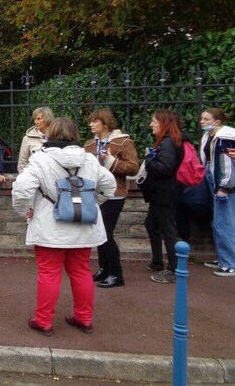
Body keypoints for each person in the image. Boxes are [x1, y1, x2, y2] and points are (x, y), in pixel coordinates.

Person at [12, 117, 116, 336]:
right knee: (81, 271)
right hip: (82, 224)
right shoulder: (88, 159)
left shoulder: (40, 159)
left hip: (50, 225)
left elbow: (22, 190)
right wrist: (90, 204)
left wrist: (25, 211)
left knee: (49, 272)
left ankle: (44, 320)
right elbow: (109, 186)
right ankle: (84, 318)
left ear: (50, 134)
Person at [83, 109, 140, 288]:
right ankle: (104, 269)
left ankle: (116, 274)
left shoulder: (123, 141)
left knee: (106, 233)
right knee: (99, 232)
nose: (91, 124)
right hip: (94, 193)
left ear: (105, 124)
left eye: (95, 121)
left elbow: (133, 168)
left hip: (115, 194)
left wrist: (110, 162)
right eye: (91, 121)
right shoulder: (90, 145)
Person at [140, 110, 184, 284]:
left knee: (168, 230)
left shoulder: (167, 142)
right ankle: (157, 262)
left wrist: (149, 158)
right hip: (164, 192)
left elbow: (164, 168)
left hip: (165, 193)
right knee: (151, 224)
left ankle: (174, 269)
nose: (151, 124)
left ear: (164, 123)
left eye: (154, 121)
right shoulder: (171, 141)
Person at [199, 108, 235, 277]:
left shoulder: (225, 138)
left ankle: (230, 263)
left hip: (223, 183)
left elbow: (228, 164)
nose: (202, 121)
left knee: (225, 222)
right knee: (218, 220)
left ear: (217, 122)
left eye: (206, 119)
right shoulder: (209, 136)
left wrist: (224, 187)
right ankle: (222, 258)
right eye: (202, 118)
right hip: (212, 178)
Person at [18, 107, 54, 173]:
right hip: (34, 176)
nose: (35, 122)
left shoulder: (57, 136)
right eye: (35, 119)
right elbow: (22, 162)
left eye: (39, 119)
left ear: (47, 119)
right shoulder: (27, 139)